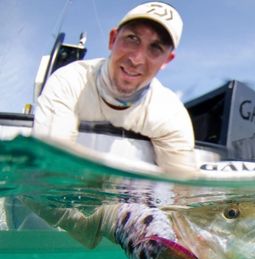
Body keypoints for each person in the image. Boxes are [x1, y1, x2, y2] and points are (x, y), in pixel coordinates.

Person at [33, 2, 196, 173]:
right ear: (112, 39)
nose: (137, 59)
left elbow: (185, 190)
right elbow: (50, 166)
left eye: (156, 47)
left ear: (166, 60)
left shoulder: (170, 114)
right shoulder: (69, 82)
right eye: (132, 38)